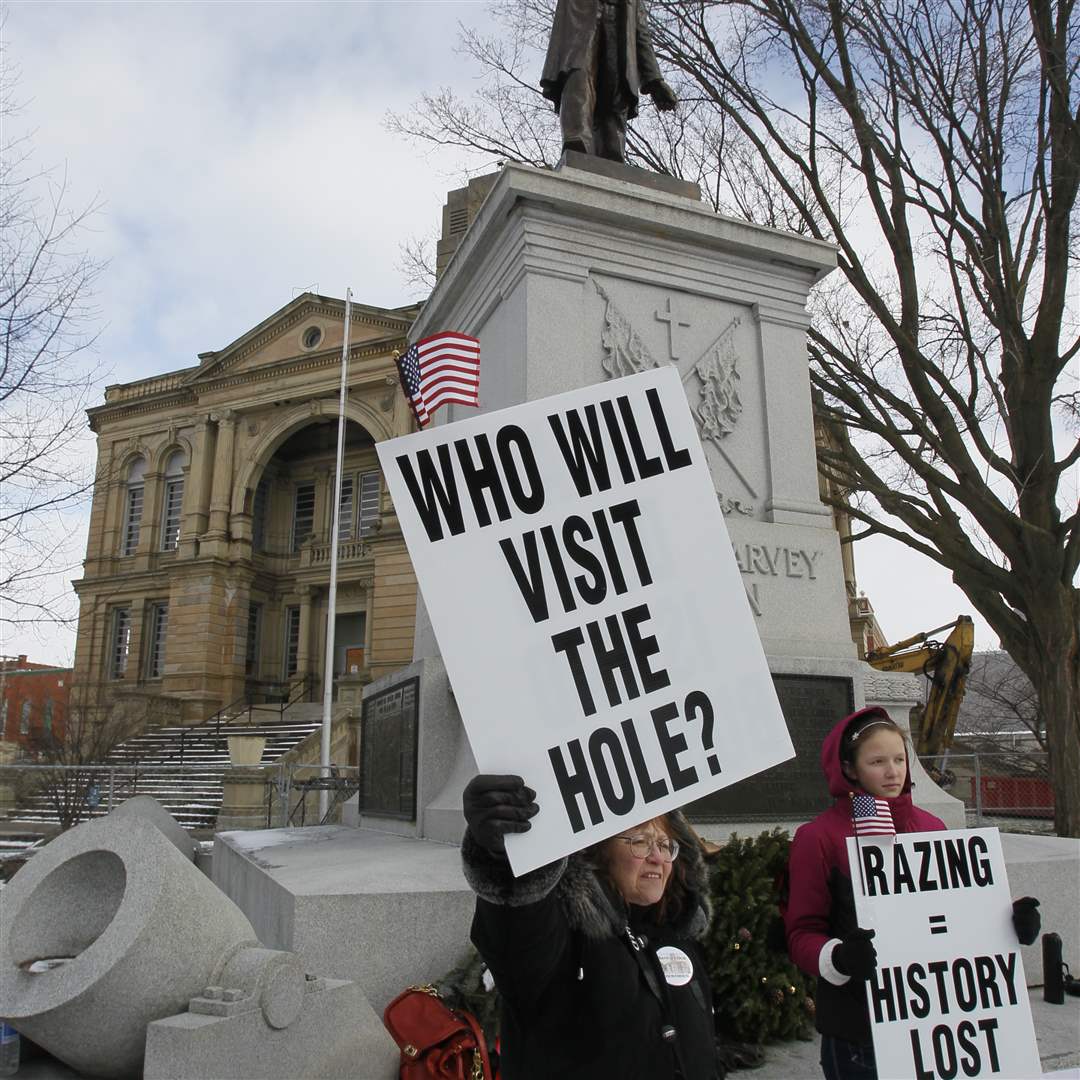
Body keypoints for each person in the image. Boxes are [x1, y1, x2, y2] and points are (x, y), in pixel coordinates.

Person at [783, 707, 1042, 1080]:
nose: (892, 771)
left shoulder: (932, 826)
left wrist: (1008, 921)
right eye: (877, 761)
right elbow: (801, 933)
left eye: (900, 759)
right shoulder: (818, 838)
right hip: (860, 1033)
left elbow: (957, 918)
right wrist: (838, 958)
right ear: (850, 768)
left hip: (941, 1029)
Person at [462, 774, 722, 1079]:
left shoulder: (674, 928)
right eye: (640, 841)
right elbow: (517, 925)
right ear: (600, 852)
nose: (657, 858)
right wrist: (502, 853)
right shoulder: (563, 938)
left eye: (666, 845)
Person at [540, 0, 677, 162]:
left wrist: (654, 80)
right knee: (579, 77)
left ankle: (610, 153)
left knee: (616, 100)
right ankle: (577, 142)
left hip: (617, 39)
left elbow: (640, 32)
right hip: (580, 32)